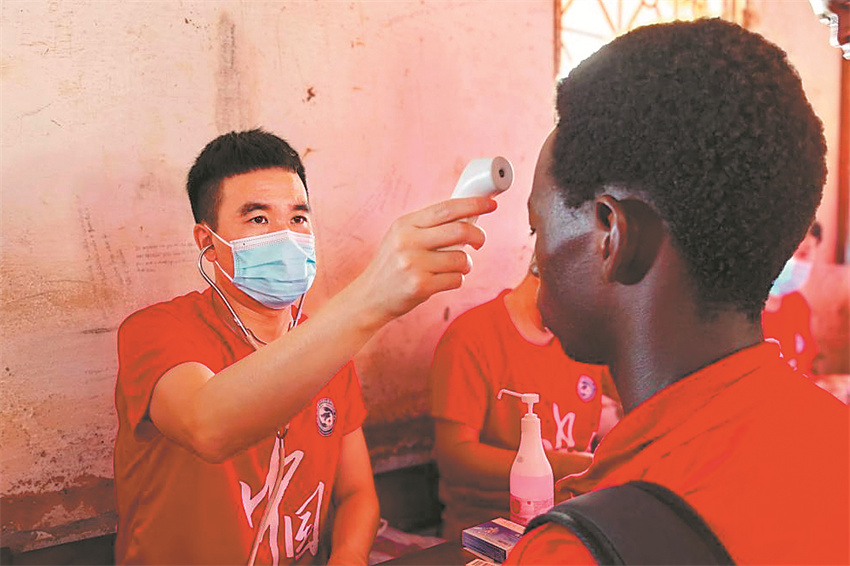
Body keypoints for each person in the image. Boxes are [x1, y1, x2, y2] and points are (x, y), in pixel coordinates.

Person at [505, 18, 849, 565]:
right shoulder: (834, 438)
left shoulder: (581, 550)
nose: (536, 259)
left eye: (536, 228)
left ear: (612, 235)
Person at [113, 129, 497, 565]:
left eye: (298, 218)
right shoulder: (156, 332)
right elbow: (207, 426)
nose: (286, 236)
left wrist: (348, 557)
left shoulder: (329, 349)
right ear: (209, 243)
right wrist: (371, 298)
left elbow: (357, 495)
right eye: (259, 219)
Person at [430, 257, 620, 540]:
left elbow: (644, 400)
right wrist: (559, 466)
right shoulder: (471, 338)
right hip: (491, 530)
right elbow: (454, 458)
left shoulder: (583, 337)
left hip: (571, 520)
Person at [762, 221, 821, 376]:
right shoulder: (744, 314)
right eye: (786, 253)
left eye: (804, 255)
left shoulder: (798, 304)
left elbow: (807, 361)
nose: (792, 261)